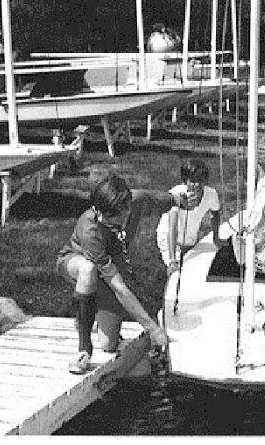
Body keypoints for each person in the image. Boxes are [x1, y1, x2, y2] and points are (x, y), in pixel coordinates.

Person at [56, 174, 196, 374]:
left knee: (109, 345)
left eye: (110, 215)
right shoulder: (90, 228)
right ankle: (84, 350)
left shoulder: (136, 201)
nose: (102, 218)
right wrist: (152, 328)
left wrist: (180, 200)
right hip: (74, 262)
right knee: (88, 270)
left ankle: (90, 310)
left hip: (107, 270)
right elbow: (119, 287)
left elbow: (158, 199)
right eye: (99, 212)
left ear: (127, 209)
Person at [156, 159, 226, 276]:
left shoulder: (211, 194)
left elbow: (215, 214)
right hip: (168, 240)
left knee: (197, 270)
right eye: (193, 181)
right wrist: (172, 261)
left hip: (190, 240)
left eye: (200, 181)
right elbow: (172, 228)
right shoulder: (176, 195)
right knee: (179, 273)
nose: (197, 185)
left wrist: (216, 237)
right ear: (185, 181)